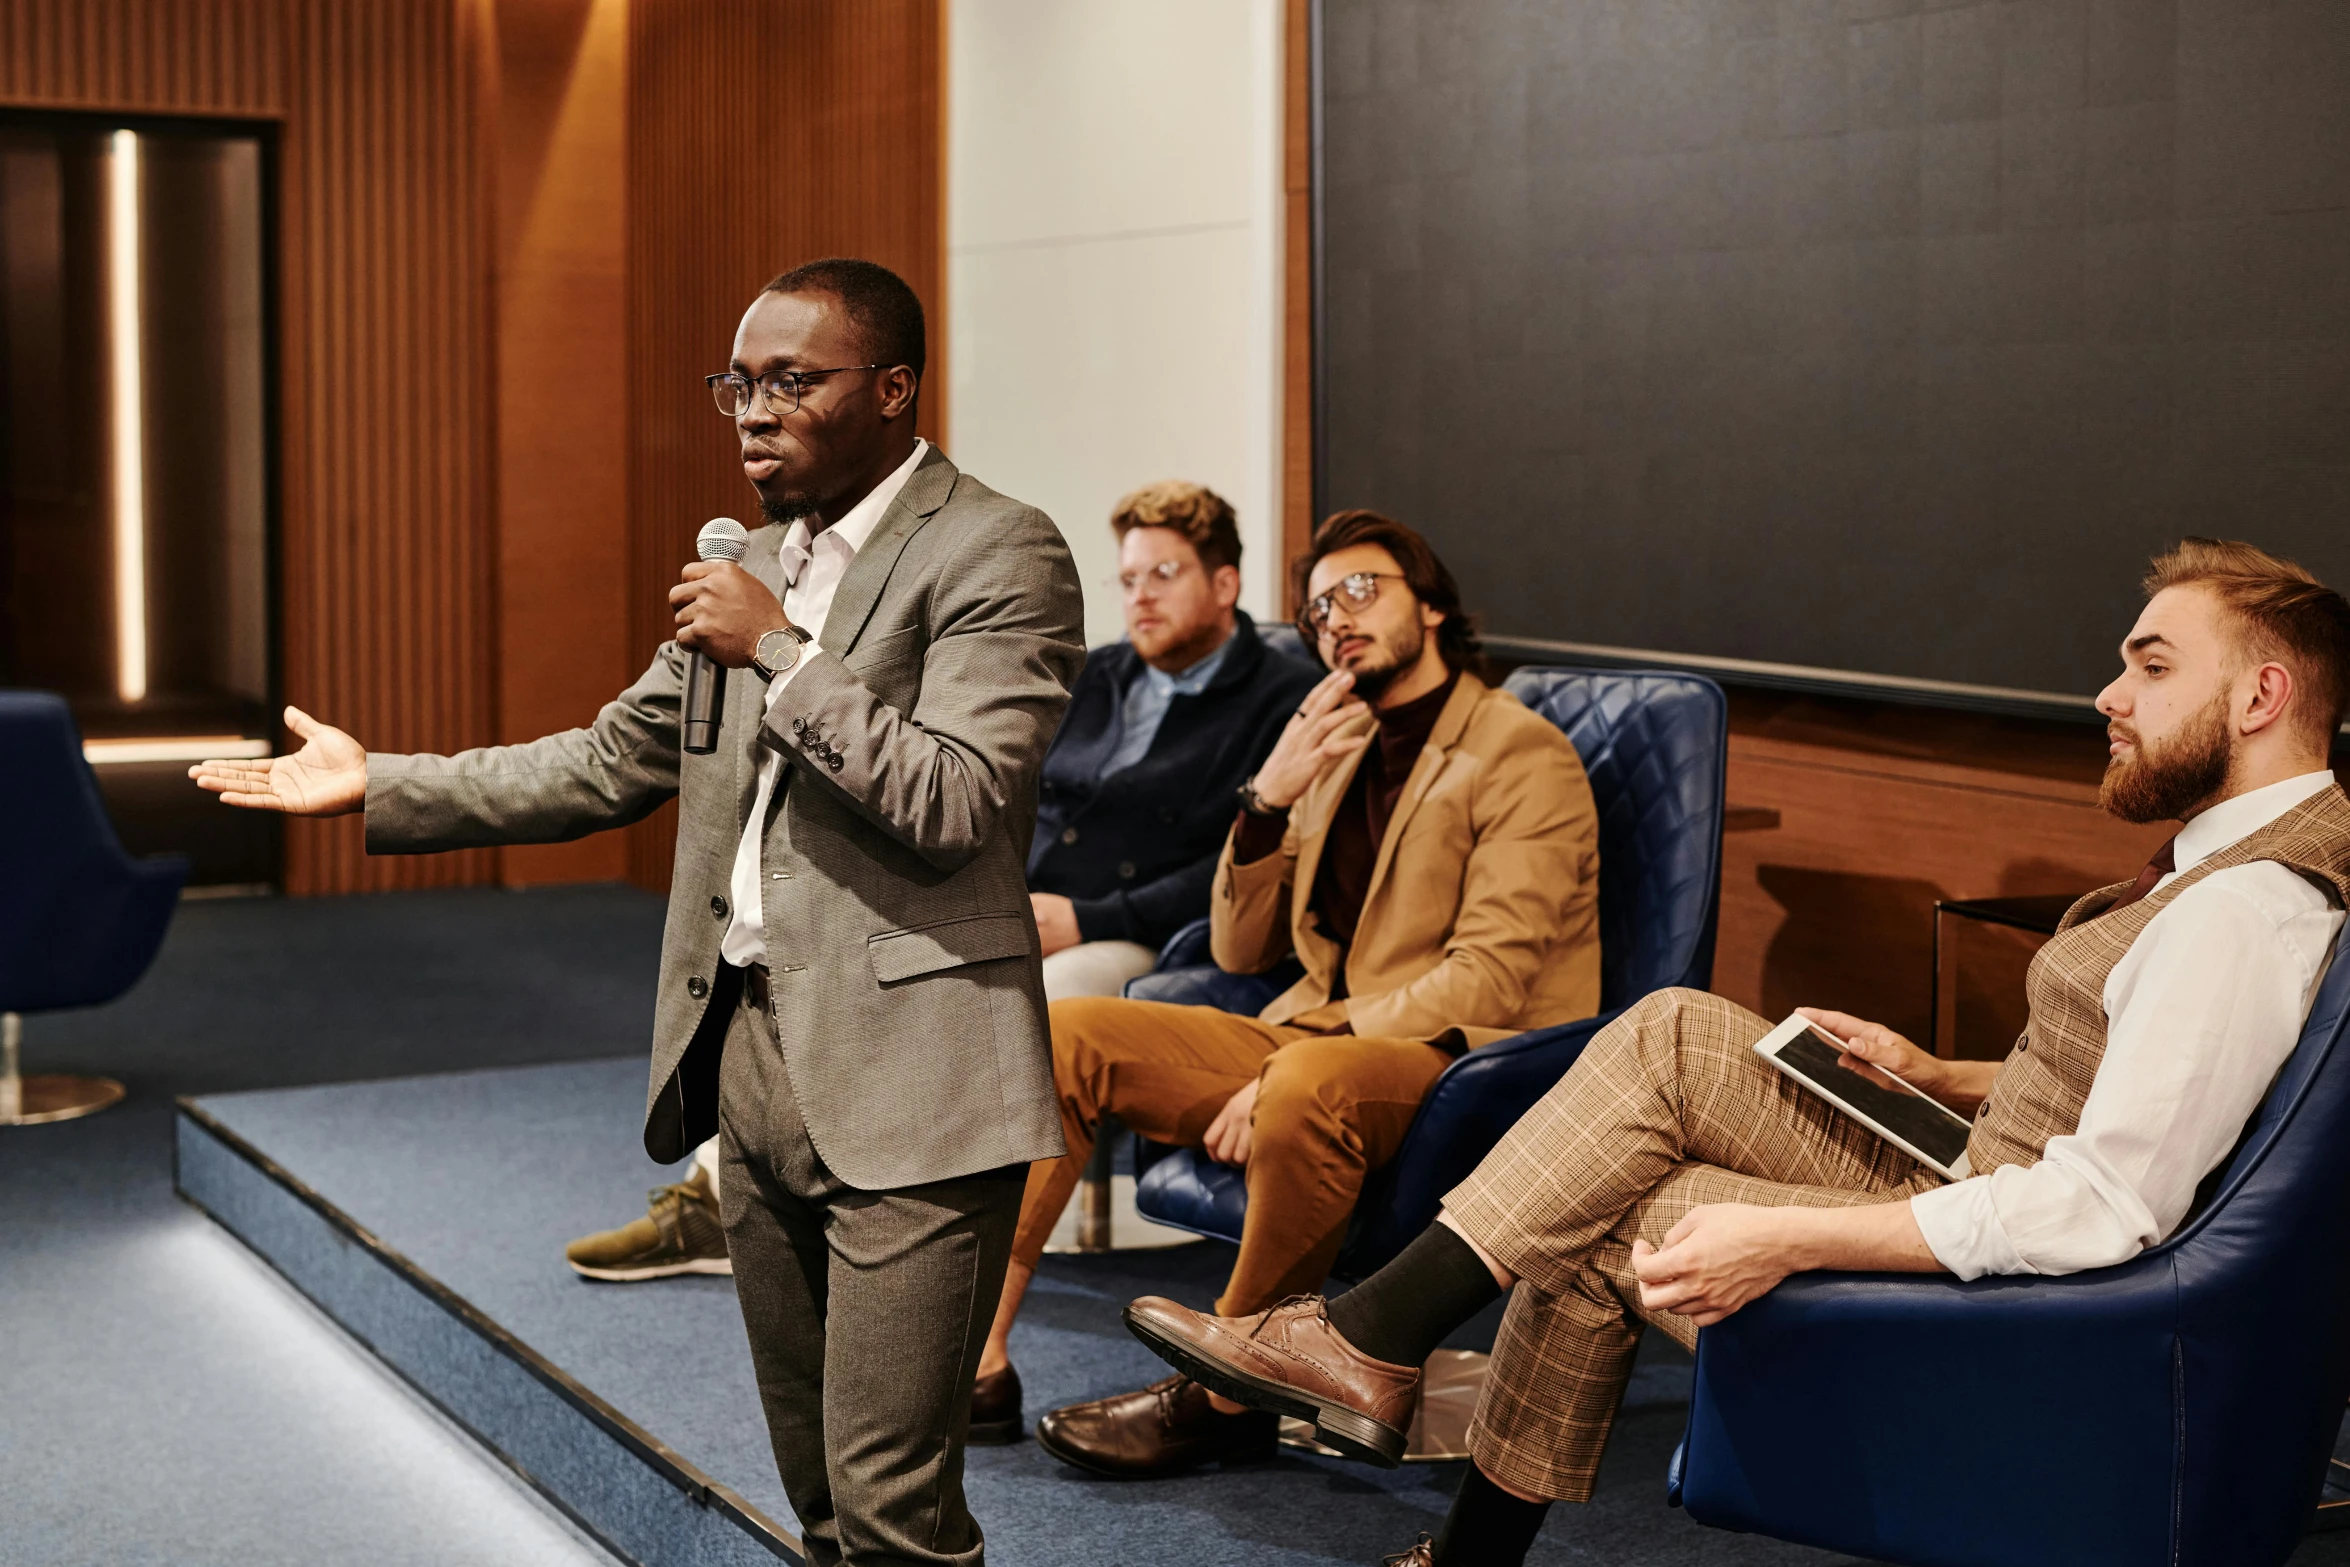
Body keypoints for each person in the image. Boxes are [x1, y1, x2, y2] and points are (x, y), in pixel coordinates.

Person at [1123, 538, 2350, 1567]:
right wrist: (1936, 1071)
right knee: (1672, 1033)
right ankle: (1381, 1366)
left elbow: (2102, 1204)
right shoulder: (2233, 871)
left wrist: (1790, 1232)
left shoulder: (2245, 910)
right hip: (1985, 1161)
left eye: (2149, 664)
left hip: (2042, 1279)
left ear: (2259, 698)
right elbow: (2159, 1079)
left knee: (1608, 1201)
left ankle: (1391, 1387)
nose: (2108, 695)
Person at [192, 258, 1083, 1567]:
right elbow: (603, 762)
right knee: (820, 1498)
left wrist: (780, 649)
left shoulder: (996, 547)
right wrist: (376, 780)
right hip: (754, 1059)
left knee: (894, 1504)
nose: (752, 411)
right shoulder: (757, 563)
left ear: (893, 391)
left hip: (916, 1076)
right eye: (739, 383)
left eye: (793, 380)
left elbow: (954, 798)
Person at [561, 479, 1318, 1290]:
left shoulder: (1279, 696)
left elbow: (1249, 857)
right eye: (1129, 580)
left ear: (1226, 585)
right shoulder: (1104, 674)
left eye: (1163, 575)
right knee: (864, 966)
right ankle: (722, 1192)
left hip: (1136, 930)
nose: (1141, 597)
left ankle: (927, 1240)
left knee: (1025, 999)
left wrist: (1091, 915)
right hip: (1012, 901)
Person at [980, 509, 1607, 1476]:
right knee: (1068, 1033)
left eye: (1363, 590)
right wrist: (1268, 798)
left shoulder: (1519, 752)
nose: (1337, 617)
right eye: (1318, 607)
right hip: (1324, 1033)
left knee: (1309, 1078)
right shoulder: (1339, 741)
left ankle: (1228, 1394)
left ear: (1431, 606)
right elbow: (1241, 942)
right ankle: (978, 1358)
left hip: (1466, 1052)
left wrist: (1298, 1057)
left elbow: (1492, 976)